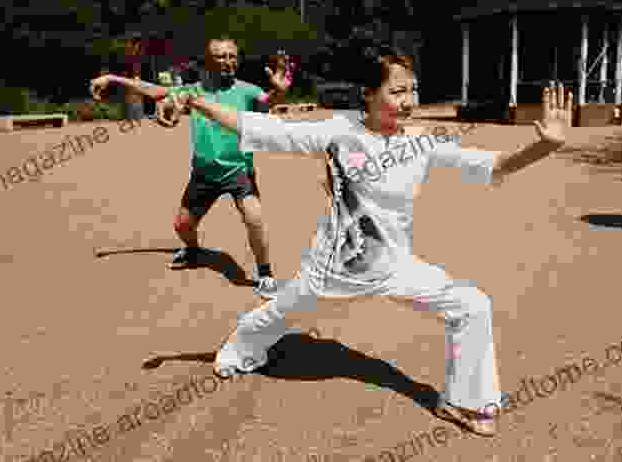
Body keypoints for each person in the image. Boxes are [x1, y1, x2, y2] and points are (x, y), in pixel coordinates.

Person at [172, 45, 571, 437]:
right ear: (369, 93)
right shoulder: (340, 132)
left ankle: (463, 400)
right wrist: (198, 103)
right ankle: (237, 350)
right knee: (280, 313)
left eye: (413, 90)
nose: (409, 101)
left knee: (472, 305)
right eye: (397, 91)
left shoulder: (422, 142)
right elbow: (261, 128)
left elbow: (495, 165)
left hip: (394, 266)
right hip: (333, 268)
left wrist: (544, 146)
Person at [89, 37, 291, 298]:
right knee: (182, 226)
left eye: (232, 56)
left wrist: (280, 91)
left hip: (239, 171)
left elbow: (268, 102)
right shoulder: (193, 91)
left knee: (254, 217)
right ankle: (193, 251)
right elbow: (152, 90)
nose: (228, 61)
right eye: (221, 56)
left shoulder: (247, 91)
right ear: (208, 61)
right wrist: (114, 79)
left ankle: (266, 276)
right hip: (204, 173)